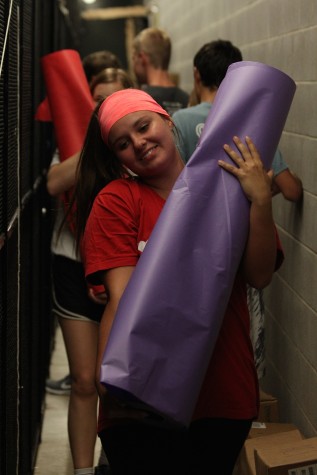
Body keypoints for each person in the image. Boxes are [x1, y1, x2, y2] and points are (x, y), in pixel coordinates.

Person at [71, 88, 283, 475]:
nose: (138, 143)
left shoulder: (228, 187)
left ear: (166, 120)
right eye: (122, 143)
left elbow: (259, 274)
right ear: (117, 156)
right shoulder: (118, 201)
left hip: (220, 394)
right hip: (142, 398)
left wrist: (260, 201)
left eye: (143, 126)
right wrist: (112, 386)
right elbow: (124, 299)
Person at [172, 39, 303, 379]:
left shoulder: (181, 120)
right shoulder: (251, 128)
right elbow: (293, 190)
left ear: (197, 75)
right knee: (240, 348)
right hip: (242, 253)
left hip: (193, 254)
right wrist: (255, 193)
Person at [45, 57, 133, 475]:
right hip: (72, 263)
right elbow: (53, 183)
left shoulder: (134, 143)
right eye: (98, 101)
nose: (105, 107)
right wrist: (94, 147)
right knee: (83, 380)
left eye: (114, 100)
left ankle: (114, 460)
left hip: (121, 272)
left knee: (115, 382)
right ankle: (82, 470)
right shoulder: (74, 140)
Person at [132, 27, 189, 114]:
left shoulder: (139, 101)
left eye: (133, 58)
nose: (134, 66)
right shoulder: (188, 99)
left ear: (142, 58)